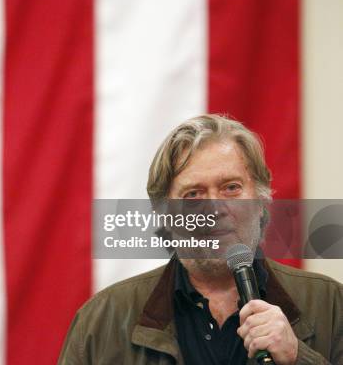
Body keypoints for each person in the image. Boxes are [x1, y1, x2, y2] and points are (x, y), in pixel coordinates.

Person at [58, 114, 343, 364]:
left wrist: (298, 357)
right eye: (193, 194)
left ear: (260, 202)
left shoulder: (331, 304)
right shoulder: (103, 320)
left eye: (231, 188)